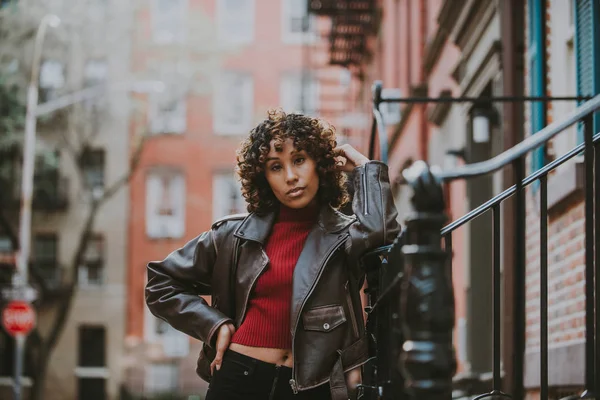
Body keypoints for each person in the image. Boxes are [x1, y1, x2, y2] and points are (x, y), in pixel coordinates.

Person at [145, 109, 400, 400]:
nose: (291, 177)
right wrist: (213, 325)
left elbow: (383, 235)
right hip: (239, 377)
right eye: (276, 167)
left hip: (314, 386)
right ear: (263, 177)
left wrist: (366, 170)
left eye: (300, 160)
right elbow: (160, 282)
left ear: (320, 164)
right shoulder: (234, 235)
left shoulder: (345, 235)